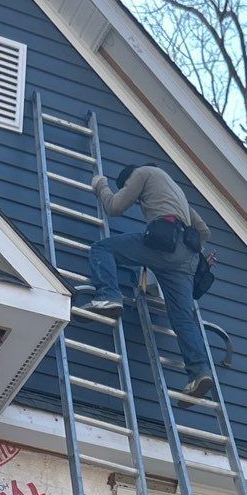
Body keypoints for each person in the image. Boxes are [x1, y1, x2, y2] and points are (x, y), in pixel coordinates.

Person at [78, 163, 215, 401]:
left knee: (102, 249)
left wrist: (101, 186)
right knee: (182, 318)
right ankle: (199, 372)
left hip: (165, 245)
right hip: (186, 260)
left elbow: (115, 207)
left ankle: (108, 296)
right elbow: (203, 231)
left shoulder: (141, 174)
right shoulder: (175, 190)